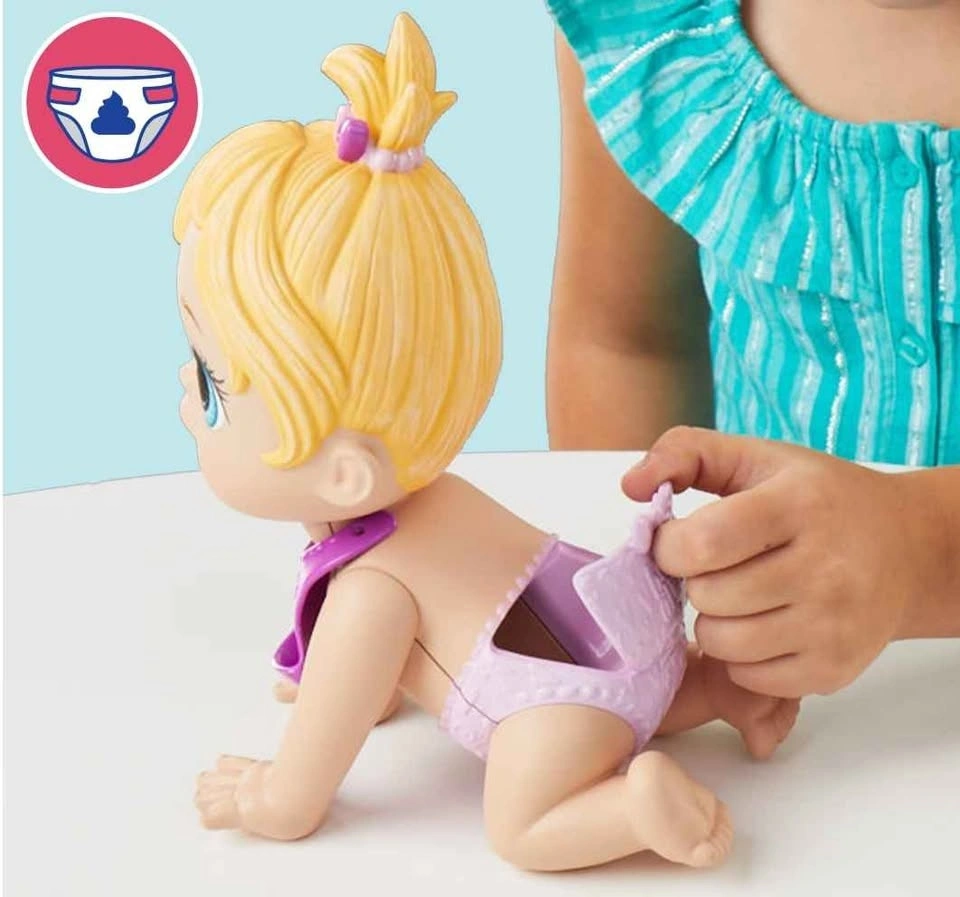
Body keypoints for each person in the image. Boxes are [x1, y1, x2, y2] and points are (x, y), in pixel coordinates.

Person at [180, 13, 797, 872]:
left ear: (347, 472)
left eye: (212, 386)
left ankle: (634, 805)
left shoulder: (370, 591)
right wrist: (339, 684)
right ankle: (724, 687)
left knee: (520, 828)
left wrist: (267, 795)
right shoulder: (437, 496)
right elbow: (373, 681)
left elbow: (300, 795)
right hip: (643, 637)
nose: (186, 397)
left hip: (567, 707)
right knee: (648, 691)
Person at [545, 0, 960, 697]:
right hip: (788, 712)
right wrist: (630, 627)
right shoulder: (654, 21)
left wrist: (927, 553)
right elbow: (627, 343)